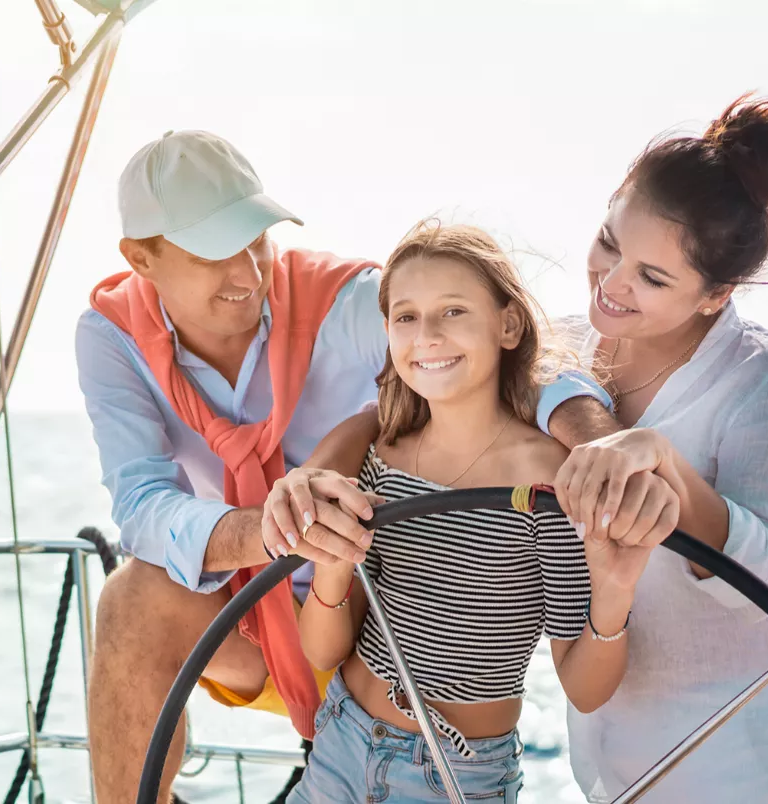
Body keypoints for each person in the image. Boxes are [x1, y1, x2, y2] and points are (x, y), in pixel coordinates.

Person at [270, 95, 768, 803]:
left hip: (748, 746)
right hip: (615, 756)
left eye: (653, 277)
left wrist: (658, 461)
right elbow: (423, 407)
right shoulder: (563, 346)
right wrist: (310, 478)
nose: (612, 285)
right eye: (610, 242)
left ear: (716, 294)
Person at [75, 129, 616, 803]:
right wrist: (281, 530)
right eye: (214, 254)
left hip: (373, 615)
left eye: (256, 240)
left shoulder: (352, 298)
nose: (247, 273)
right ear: (140, 259)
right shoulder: (110, 336)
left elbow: (511, 362)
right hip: (255, 623)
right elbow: (142, 508)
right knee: (131, 597)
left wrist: (597, 448)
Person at [265, 221, 677, 803]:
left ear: (507, 325)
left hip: (456, 778)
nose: (426, 334)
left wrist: (614, 588)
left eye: (453, 311)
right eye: (406, 316)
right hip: (341, 742)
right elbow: (324, 652)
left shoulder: (551, 484)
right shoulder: (382, 454)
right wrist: (334, 568)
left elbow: (584, 689)